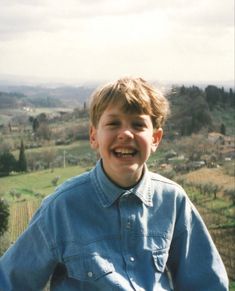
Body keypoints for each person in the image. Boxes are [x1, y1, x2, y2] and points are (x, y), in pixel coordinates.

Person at [0, 77, 229, 290]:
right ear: (93, 137)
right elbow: (9, 281)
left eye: (138, 125)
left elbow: (206, 283)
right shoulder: (62, 208)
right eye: (113, 124)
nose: (126, 134)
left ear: (156, 139)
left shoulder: (173, 201)